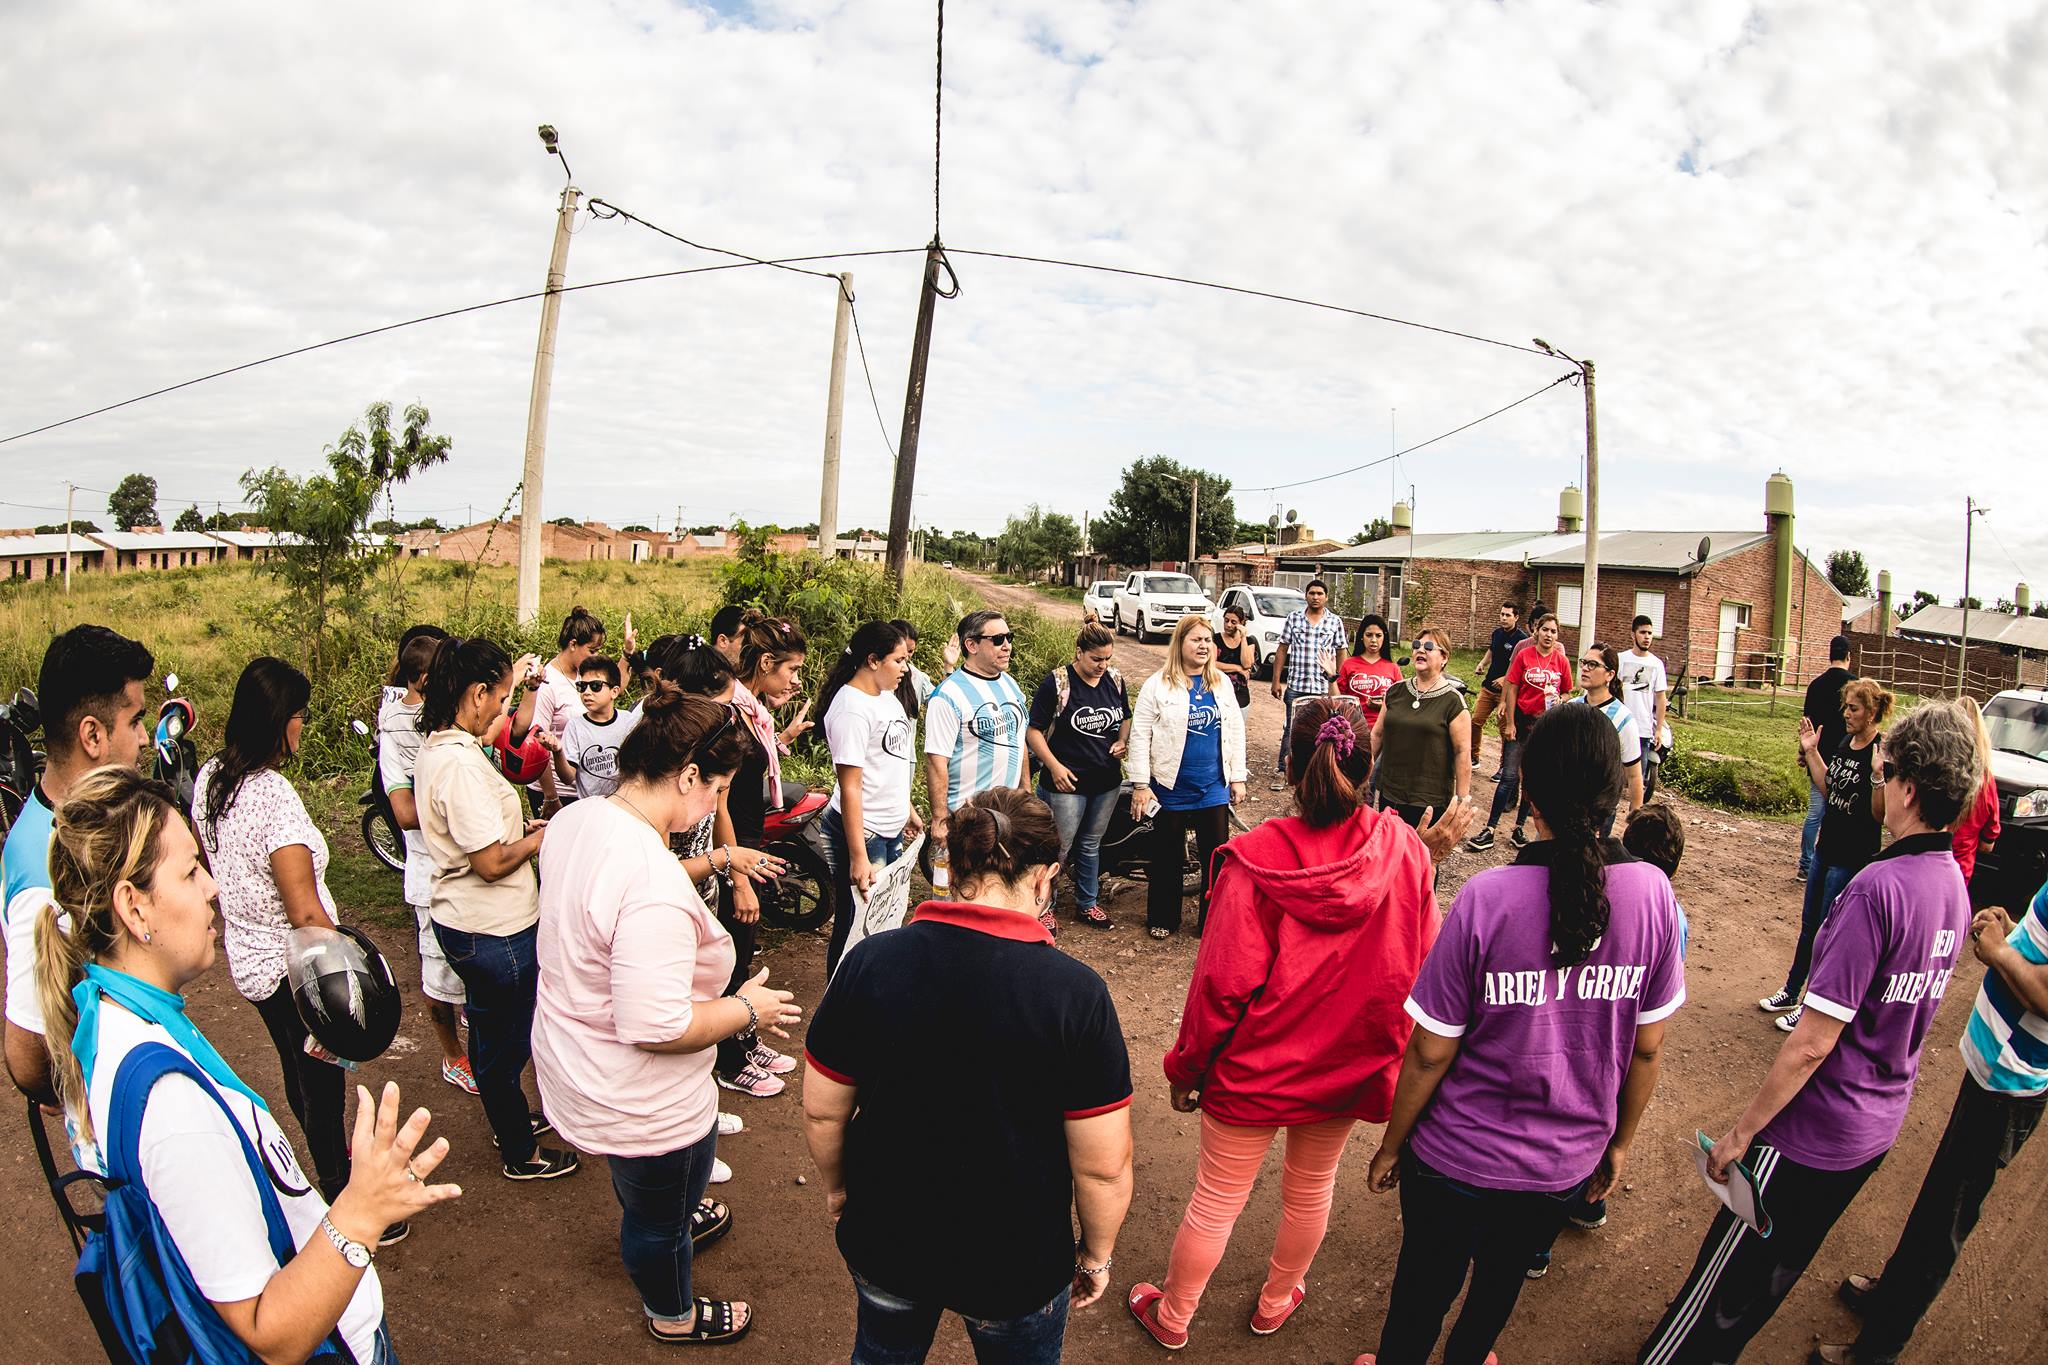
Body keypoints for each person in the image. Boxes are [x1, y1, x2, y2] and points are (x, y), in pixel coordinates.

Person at [34, 766, 455, 1364]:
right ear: (133, 906)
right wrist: (361, 1210)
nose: (212, 887)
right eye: (190, 871)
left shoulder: (109, 1016)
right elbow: (270, 1332)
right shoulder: (170, 1104)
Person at [1637, 702, 1978, 1365]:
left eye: (1884, 773)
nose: (1879, 785)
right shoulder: (1954, 888)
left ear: (1909, 788)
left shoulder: (1878, 889)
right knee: (1775, 1271)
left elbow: (1813, 1041)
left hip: (1810, 1133)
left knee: (1722, 1282)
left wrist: (1742, 1134)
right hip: (1873, 1128)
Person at [1128, 697, 1465, 1350]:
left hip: (1253, 1071)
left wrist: (1185, 1068)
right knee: (1311, 1188)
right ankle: (1277, 1299)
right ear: (1368, 768)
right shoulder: (1405, 849)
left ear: (1289, 766)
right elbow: (1423, 962)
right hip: (1346, 1066)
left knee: (1216, 1198)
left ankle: (1173, 1315)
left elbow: (1221, 988)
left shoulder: (1253, 860)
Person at [1359, 702, 1684, 1365]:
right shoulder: (1654, 895)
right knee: (1497, 1291)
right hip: (1561, 1166)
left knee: (1421, 1294)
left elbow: (1430, 1052)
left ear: (1529, 793)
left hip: (1454, 1160)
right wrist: (1618, 1143)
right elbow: (1647, 1049)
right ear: (1616, 792)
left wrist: (1391, 1146)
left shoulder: (1488, 898)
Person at [802, 787, 1134, 1364]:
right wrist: (1094, 1255)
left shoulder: (871, 962)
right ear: (1045, 878)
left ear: (951, 868)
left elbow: (823, 1110)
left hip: (887, 1236)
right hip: (1017, 1261)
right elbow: (1103, 1167)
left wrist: (839, 1188)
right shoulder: (1076, 995)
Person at [534, 686, 801, 1346]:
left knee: (646, 1191)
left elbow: (617, 893)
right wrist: (747, 1006)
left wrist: (718, 859)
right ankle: (673, 1311)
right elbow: (659, 1026)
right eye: (718, 790)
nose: (715, 805)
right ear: (688, 775)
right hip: (643, 1100)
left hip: (578, 1058)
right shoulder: (651, 884)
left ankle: (670, 1216)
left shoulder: (579, 819)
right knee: (656, 1218)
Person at [1819, 886, 2048, 1364]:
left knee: (1947, 1216)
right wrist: (2015, 934)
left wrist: (2001, 954)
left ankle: (1877, 1350)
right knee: (1938, 1198)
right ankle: (1891, 1294)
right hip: (1993, 1067)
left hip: (2009, 1083)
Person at [190, 658, 358, 1213]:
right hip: (297, 970)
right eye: (300, 715)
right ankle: (340, 1194)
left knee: (296, 1068)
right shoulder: (273, 794)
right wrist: (351, 967)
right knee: (323, 1085)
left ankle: (327, 1171)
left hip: (250, 962)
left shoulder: (212, 777)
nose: (303, 725)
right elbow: (305, 911)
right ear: (279, 719)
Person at [413, 636, 580, 1181]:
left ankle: (506, 1121)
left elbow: (476, 833)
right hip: (494, 930)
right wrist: (539, 838)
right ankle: (519, 1152)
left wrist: (519, 829)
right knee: (506, 1046)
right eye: (504, 697)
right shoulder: (459, 764)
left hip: (470, 922)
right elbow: (488, 863)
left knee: (489, 1032)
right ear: (477, 693)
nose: (504, 709)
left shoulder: (443, 749)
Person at [4, 624, 154, 1103]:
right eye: (135, 721)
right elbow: (27, 1056)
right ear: (92, 735)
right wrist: (80, 1091)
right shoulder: (44, 874)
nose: (145, 738)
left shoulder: (68, 824)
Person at [659, 638, 791, 1105]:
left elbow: (721, 811)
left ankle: (735, 1047)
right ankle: (706, 1084)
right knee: (681, 996)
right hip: (674, 891)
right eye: (721, 704)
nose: (728, 712)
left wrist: (736, 876)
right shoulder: (664, 756)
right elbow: (657, 870)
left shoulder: (715, 739)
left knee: (718, 972)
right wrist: (726, 862)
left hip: (705, 883)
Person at [1764, 679, 1893, 1032]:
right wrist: (1811, 752)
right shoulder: (1845, 743)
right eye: (1846, 707)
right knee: (1809, 928)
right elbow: (1829, 788)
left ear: (1871, 713)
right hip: (1826, 849)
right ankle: (1791, 991)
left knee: (1828, 933)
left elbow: (1881, 815)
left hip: (1851, 858)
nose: (1846, 714)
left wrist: (1878, 777)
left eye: (1853, 708)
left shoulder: (1880, 752)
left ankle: (1811, 1006)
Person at [378, 627, 474, 1095]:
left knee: (473, 962)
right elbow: (402, 813)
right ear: (422, 679)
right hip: (430, 871)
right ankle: (453, 1056)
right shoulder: (394, 728)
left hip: (471, 864)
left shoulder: (447, 718)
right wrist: (460, 808)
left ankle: (472, 1031)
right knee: (437, 971)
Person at [721, 613, 812, 1093]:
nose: (795, 680)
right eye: (791, 669)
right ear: (764, 663)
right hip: (732, 853)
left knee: (742, 949)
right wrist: (738, 875)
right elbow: (719, 802)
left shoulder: (752, 709)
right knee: (729, 956)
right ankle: (729, 1059)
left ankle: (743, 1034)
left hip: (748, 846)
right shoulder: (730, 714)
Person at [1129, 616, 1247, 940]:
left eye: (1208, 640)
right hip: (1171, 787)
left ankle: (1211, 923)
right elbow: (1139, 735)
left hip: (1213, 786)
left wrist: (1237, 777)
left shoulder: (1221, 683)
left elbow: (1236, 730)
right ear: (1180, 643)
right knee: (1167, 856)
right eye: (1196, 640)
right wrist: (1141, 784)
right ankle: (1164, 918)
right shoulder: (1158, 684)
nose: (1203, 646)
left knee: (1215, 858)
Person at [818, 621, 924, 976]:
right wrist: (859, 857)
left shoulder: (886, 696)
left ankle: (872, 988)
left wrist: (906, 808)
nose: (906, 668)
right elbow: (850, 786)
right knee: (856, 923)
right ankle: (841, 993)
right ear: (873, 660)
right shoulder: (851, 708)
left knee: (884, 918)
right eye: (899, 660)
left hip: (889, 827)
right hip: (865, 832)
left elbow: (890, 762)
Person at [1027, 623, 1131, 931]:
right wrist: (1054, 766)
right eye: (1096, 659)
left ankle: (1088, 903)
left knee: (1090, 845)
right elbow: (1033, 732)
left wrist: (1122, 740)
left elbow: (1126, 716)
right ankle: (1043, 906)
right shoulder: (1057, 683)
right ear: (1079, 652)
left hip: (1106, 782)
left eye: (1107, 658)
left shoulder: (1114, 680)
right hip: (1066, 785)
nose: (1102, 665)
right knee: (1058, 847)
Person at [1466, 611, 1570, 853]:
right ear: (1537, 631)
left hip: (1545, 729)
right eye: (1545, 629)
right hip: (1522, 724)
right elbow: (1512, 688)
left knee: (1530, 782)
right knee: (1509, 777)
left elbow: (1567, 691)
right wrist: (1510, 723)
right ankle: (1490, 828)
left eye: (1553, 631)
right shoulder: (1524, 655)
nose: (1549, 635)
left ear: (1557, 635)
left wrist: (1560, 699)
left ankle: (1519, 828)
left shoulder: (1561, 661)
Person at [926, 611, 1028, 842]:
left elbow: (1019, 739)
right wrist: (940, 818)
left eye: (1009, 637)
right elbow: (936, 761)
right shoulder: (948, 695)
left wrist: (1025, 792)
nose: (1007, 646)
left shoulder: (1011, 685)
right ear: (971, 645)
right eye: (998, 640)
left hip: (1007, 813)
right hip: (967, 820)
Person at [532, 606, 636, 814]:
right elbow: (536, 741)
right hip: (559, 790)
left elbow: (613, 687)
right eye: (592, 650)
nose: (588, 691)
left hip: (590, 790)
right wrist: (551, 797)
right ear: (573, 645)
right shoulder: (548, 683)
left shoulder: (585, 673)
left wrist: (627, 654)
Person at [1370, 628, 1472, 833]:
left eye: (1429, 647)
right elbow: (1377, 734)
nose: (1420, 650)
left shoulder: (1453, 701)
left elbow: (1462, 752)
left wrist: (1461, 802)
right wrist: (1363, 774)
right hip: (1391, 794)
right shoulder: (1395, 691)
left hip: (1429, 801)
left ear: (1444, 658)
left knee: (1422, 852)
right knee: (1391, 847)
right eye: (1416, 645)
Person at [1268, 579, 1346, 789]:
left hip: (1322, 688)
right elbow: (1282, 649)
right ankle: (1283, 771)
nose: (1315, 597)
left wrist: (1337, 679)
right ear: (1306, 596)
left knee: (1322, 729)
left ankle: (1315, 772)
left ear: (1326, 597)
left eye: (1320, 593)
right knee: (1291, 729)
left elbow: (1341, 651)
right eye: (1312, 593)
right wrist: (1276, 681)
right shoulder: (1294, 618)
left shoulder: (1334, 621)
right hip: (1296, 686)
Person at [1799, 636, 1857, 882]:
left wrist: (1803, 752)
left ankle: (1806, 864)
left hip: (1817, 754)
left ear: (1829, 655)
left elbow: (1806, 724)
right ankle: (1834, 864)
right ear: (1849, 656)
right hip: (1847, 759)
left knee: (1815, 813)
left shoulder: (1815, 685)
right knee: (1841, 814)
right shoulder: (1855, 686)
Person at [1569, 643, 1646, 825]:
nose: (1585, 668)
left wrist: (1635, 816)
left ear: (1610, 675)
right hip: (1565, 799)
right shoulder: (1572, 708)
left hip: (1598, 810)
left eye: (1593, 664)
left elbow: (1634, 775)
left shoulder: (1623, 719)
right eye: (1584, 663)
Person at [550, 655, 641, 800]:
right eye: (582, 686)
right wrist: (558, 752)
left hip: (626, 804)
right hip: (591, 807)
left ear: (614, 691)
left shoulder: (629, 721)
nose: (587, 692)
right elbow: (568, 778)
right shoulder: (575, 727)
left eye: (595, 686)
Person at [1949, 696, 2002, 902]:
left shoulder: (1933, 771)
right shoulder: (1986, 780)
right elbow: (1988, 844)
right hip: (1959, 872)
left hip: (1922, 862)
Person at [1466, 602, 1526, 773]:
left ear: (1516, 617)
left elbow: (1521, 667)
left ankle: (1503, 766)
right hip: (1488, 687)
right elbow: (1492, 650)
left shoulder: (1521, 640)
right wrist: (1482, 663)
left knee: (1504, 731)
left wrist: (1505, 679)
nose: (1504, 618)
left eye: (1508, 615)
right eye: (1502, 614)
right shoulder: (1497, 633)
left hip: (1505, 694)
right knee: (1475, 721)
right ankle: (1474, 757)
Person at [1620, 616, 1669, 801]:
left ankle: (1634, 817)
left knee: (1636, 783)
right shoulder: (1621, 659)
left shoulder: (1656, 664)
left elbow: (1661, 698)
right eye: (1642, 632)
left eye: (1649, 633)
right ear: (1633, 635)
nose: (1647, 637)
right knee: (1611, 781)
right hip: (1619, 726)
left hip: (1642, 729)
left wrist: (1658, 729)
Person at [1334, 613, 1403, 730]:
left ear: (1384, 637)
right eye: (1369, 635)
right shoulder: (1348, 664)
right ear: (1362, 636)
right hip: (1354, 728)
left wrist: (1383, 706)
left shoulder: (1393, 668)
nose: (1374, 640)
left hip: (1384, 729)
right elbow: (1338, 700)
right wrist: (1331, 677)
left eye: (1378, 635)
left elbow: (1401, 703)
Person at [1212, 604, 1255, 711]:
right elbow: (1211, 664)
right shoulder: (1216, 639)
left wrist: (1243, 637)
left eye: (1233, 622)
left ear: (1241, 623)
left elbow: (1247, 664)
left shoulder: (1249, 642)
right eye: (1226, 621)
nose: (1228, 625)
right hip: (1218, 692)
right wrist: (1237, 668)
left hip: (1240, 695)